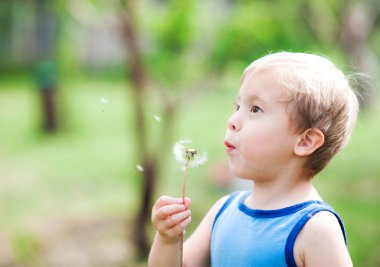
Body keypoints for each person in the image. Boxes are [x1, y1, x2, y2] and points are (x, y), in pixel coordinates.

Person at [148, 52, 359, 267]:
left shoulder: (315, 228)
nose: (232, 120)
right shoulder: (223, 211)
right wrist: (168, 240)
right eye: (238, 107)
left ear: (305, 141)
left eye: (255, 109)